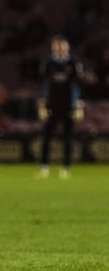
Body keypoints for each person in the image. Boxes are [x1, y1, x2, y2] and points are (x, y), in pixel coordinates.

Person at [37, 34, 84, 179]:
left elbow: (76, 85)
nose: (60, 48)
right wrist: (42, 104)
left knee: (68, 137)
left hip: (68, 105)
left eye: (62, 45)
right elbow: (44, 85)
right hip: (51, 104)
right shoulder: (48, 63)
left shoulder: (74, 64)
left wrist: (78, 105)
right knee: (47, 137)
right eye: (57, 45)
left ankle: (66, 167)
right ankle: (44, 166)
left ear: (67, 46)